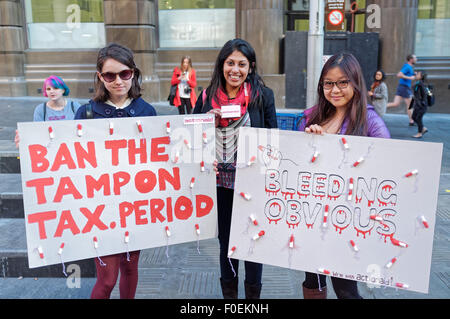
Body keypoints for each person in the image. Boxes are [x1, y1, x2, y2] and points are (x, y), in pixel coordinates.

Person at [297, 52, 390, 299]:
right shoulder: (310, 117)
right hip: (313, 216)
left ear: (355, 83)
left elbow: (389, 168)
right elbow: (296, 165)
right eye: (328, 83)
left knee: (345, 289)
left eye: (342, 82)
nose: (334, 89)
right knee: (312, 280)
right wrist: (308, 143)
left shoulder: (371, 122)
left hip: (347, 221)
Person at [193, 38, 278, 299]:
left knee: (253, 240)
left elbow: (273, 138)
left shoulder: (263, 96)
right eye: (230, 63)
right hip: (219, 184)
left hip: (252, 182)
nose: (235, 70)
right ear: (222, 65)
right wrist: (207, 123)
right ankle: (230, 298)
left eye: (242, 64)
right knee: (226, 243)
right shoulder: (207, 96)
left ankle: (253, 298)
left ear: (250, 67)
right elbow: (191, 138)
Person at [75, 43, 157, 299]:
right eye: (110, 75)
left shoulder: (147, 112)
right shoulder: (86, 113)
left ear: (133, 72)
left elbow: (161, 157)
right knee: (108, 278)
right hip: (101, 209)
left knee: (130, 269)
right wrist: (32, 143)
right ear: (100, 77)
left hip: (136, 206)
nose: (118, 81)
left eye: (125, 73)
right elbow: (63, 158)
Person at [14, 75, 81, 146]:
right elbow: (37, 132)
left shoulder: (75, 106)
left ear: (63, 90)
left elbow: (84, 128)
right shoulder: (40, 109)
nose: (51, 91)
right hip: (50, 148)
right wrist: (22, 141)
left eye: (55, 88)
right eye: (48, 89)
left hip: (72, 147)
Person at [387, 54, 417, 125]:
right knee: (410, 104)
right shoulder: (407, 66)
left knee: (396, 103)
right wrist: (410, 78)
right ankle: (411, 121)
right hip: (404, 87)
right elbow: (399, 75)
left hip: (402, 87)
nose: (416, 59)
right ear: (411, 59)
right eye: (415, 58)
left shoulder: (409, 67)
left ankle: (380, 107)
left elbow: (406, 74)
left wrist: (413, 74)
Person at [411, 71, 429, 138]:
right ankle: (423, 128)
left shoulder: (420, 84)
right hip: (417, 104)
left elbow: (424, 94)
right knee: (413, 117)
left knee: (418, 118)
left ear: (421, 77)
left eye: (418, 74)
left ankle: (419, 133)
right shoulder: (418, 83)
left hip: (421, 105)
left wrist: (422, 103)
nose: (416, 74)